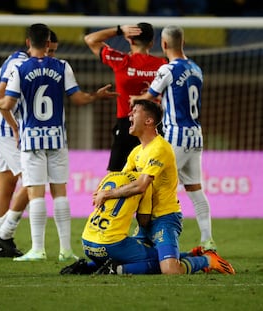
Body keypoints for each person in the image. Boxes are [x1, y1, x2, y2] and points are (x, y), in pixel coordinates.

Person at [0, 23, 118, 261]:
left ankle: (37, 249)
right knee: (60, 193)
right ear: (47, 44)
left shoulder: (20, 68)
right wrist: (97, 96)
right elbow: (78, 98)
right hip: (57, 137)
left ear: (28, 43)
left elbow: (7, 103)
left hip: (31, 139)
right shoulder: (62, 66)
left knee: (36, 193)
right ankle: (65, 250)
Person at [92, 99, 235, 275]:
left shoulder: (159, 148)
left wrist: (108, 194)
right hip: (145, 221)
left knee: (170, 270)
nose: (129, 115)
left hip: (165, 218)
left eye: (134, 111)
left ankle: (208, 260)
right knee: (127, 257)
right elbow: (123, 179)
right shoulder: (136, 152)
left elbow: (141, 185)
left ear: (148, 120)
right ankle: (191, 254)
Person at [0, 30, 59, 259]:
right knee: (34, 181)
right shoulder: (21, 63)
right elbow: (2, 100)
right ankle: (3, 237)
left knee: (7, 185)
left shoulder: (17, 58)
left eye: (54, 52)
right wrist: (16, 128)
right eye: (49, 50)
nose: (50, 56)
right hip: (7, 129)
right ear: (38, 45)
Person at [130, 25, 216, 251]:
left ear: (164, 44)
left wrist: (134, 99)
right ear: (183, 43)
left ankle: (145, 236)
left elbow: (148, 97)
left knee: (153, 184)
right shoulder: (197, 69)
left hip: (176, 136)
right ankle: (207, 240)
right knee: (196, 189)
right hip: (195, 136)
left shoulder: (167, 70)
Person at [84, 22, 167, 172]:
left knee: (115, 176)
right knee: (151, 177)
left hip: (127, 125)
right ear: (152, 43)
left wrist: (119, 30)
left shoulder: (121, 61)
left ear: (130, 40)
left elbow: (90, 39)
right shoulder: (163, 64)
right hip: (154, 126)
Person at [61, 170, 161, 275]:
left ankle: (84, 267)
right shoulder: (144, 183)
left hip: (87, 242)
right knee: (159, 260)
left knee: (120, 256)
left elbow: (95, 198)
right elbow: (143, 221)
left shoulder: (109, 176)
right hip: (111, 244)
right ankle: (115, 269)